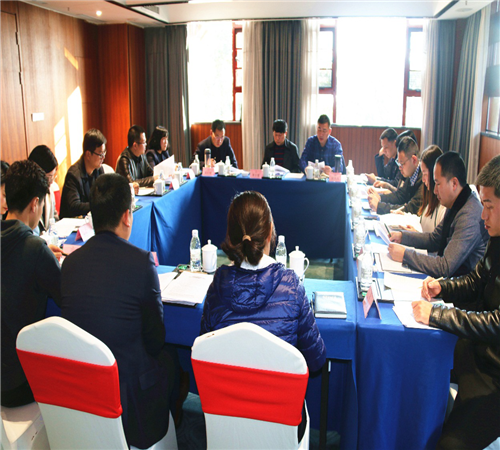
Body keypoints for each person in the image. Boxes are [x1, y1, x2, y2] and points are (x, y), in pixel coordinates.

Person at [61, 173, 178, 448]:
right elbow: (155, 340)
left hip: (85, 392)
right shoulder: (141, 263)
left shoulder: (70, 265)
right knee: (172, 360)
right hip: (131, 404)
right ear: (127, 216)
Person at [200, 190, 326, 440]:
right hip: (280, 430)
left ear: (231, 235)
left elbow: (205, 352)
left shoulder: (217, 286)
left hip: (229, 427)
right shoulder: (291, 286)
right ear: (270, 234)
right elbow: (317, 360)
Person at [412, 155, 500, 449]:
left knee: (450, 445)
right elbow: (476, 281)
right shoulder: (496, 237)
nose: (483, 215)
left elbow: (496, 323)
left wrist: (436, 315)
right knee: (419, 361)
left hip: (493, 374)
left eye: (489, 206)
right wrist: (443, 288)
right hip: (476, 349)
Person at [0, 160, 61, 407]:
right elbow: (66, 297)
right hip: (20, 383)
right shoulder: (34, 250)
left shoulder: (31, 246)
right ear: (35, 203)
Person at [388, 151, 488, 278]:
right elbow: (434, 239)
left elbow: (444, 267)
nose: (435, 190)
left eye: (438, 184)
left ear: (454, 183)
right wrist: (402, 237)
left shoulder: (469, 215)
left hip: (460, 285)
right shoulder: (458, 202)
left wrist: (405, 255)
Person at [368, 136, 423, 214]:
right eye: (398, 163)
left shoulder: (424, 179)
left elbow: (410, 209)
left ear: (414, 160)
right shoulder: (411, 173)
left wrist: (379, 206)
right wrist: (379, 197)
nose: (400, 168)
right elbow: (400, 196)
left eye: (402, 164)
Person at [60, 128, 106, 218]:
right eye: (100, 154)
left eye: (104, 152)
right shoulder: (73, 175)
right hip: (73, 223)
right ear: (88, 154)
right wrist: (98, 205)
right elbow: (74, 206)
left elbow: (104, 194)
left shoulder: (99, 170)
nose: (103, 157)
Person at [28, 145, 59, 233]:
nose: (51, 181)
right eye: (49, 177)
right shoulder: (26, 197)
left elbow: (54, 219)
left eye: (53, 176)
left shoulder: (50, 192)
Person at [416, 145, 446, 233]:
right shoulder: (430, 198)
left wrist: (416, 235)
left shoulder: (443, 206)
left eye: (425, 174)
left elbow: (435, 238)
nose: (423, 179)